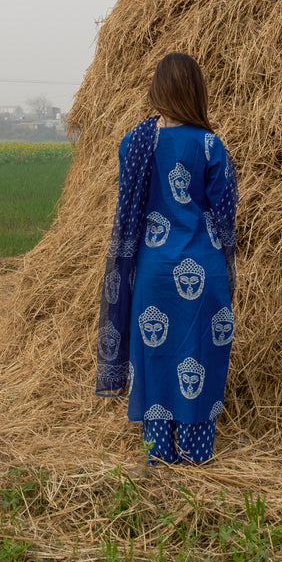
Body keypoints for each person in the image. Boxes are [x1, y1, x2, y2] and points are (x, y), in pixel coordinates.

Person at [96, 52, 238, 465]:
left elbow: (130, 208)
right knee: (200, 353)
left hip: (154, 273)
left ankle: (159, 452)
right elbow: (225, 215)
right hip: (203, 270)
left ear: (158, 89)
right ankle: (196, 453)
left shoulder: (135, 142)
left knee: (154, 358)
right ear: (196, 91)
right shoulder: (210, 145)